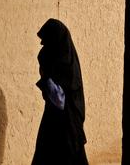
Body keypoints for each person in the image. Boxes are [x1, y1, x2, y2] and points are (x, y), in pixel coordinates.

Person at [32, 18, 89, 165]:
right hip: (56, 117)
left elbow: (61, 96)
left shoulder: (66, 62)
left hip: (67, 119)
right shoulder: (51, 56)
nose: (43, 45)